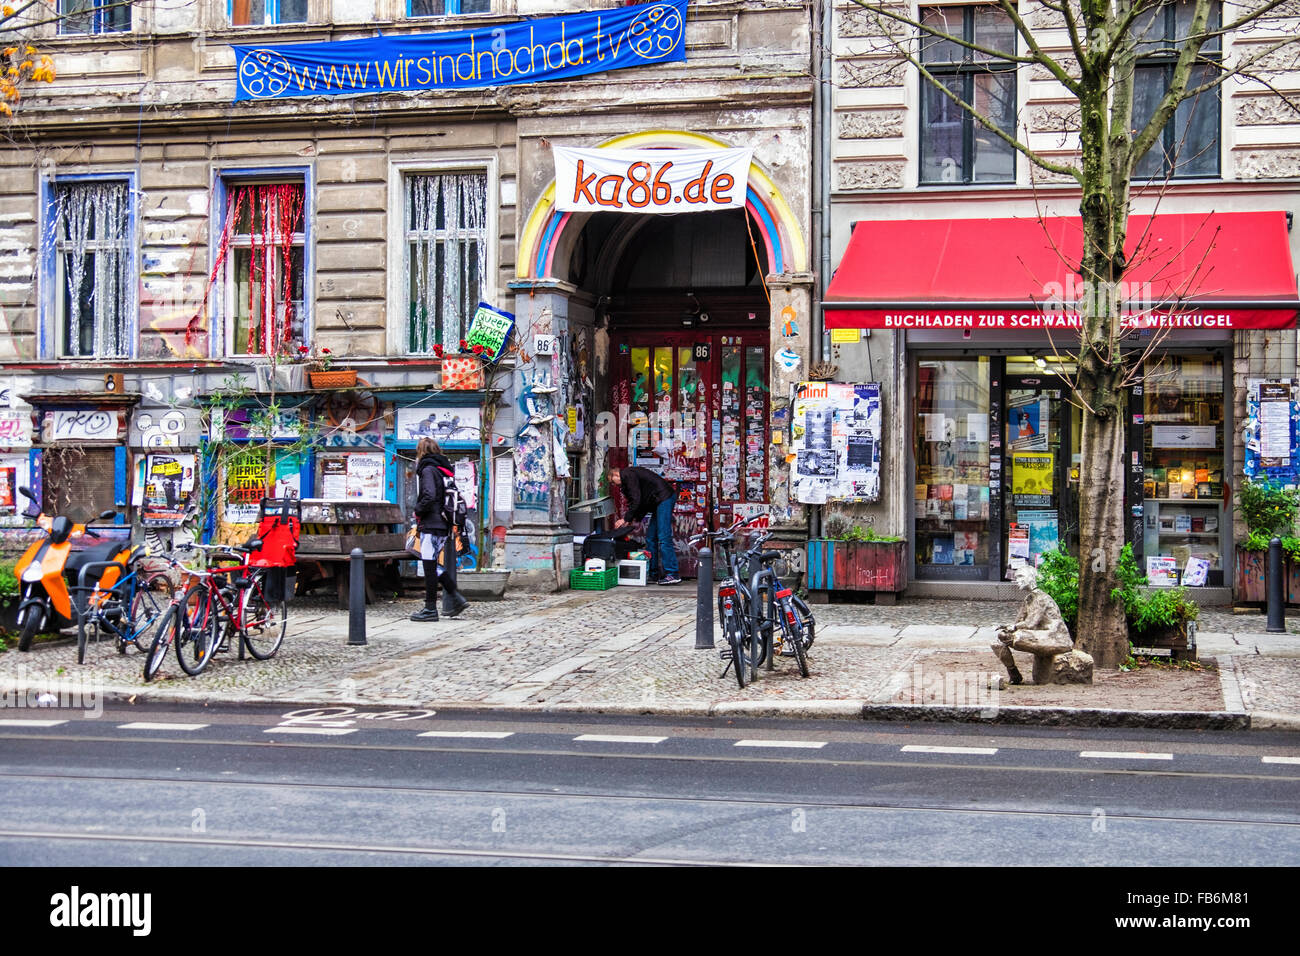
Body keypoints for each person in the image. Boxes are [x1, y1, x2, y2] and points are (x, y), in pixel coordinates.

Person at [410, 437, 469, 622]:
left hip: (432, 523)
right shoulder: (445, 470)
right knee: (433, 565)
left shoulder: (428, 469)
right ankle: (457, 598)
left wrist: (418, 510)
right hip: (443, 523)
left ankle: (430, 609)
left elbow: (429, 495)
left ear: (421, 452)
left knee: (429, 565)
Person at [610, 464, 680, 585]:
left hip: (664, 498)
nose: (614, 485)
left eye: (612, 481)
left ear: (616, 474)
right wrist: (630, 519)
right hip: (660, 500)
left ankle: (672, 574)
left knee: (663, 537)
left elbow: (636, 499)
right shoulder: (629, 476)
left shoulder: (627, 474)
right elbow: (639, 500)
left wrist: (625, 518)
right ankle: (653, 573)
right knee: (651, 538)